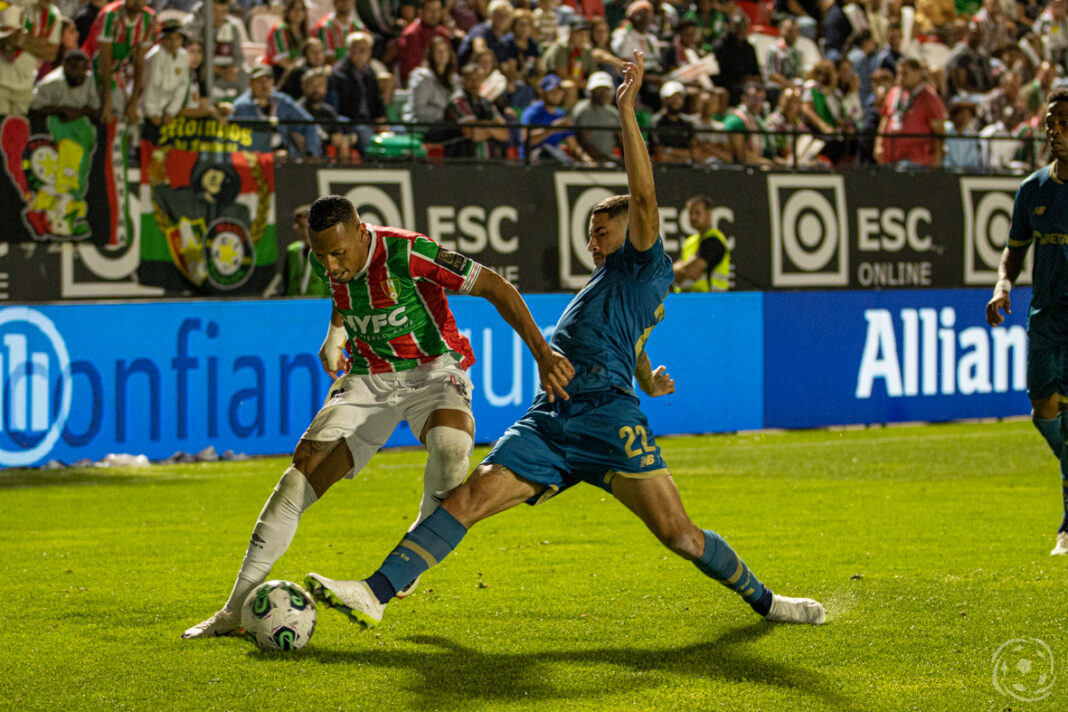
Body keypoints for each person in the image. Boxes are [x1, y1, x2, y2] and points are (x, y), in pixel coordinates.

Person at [300, 50, 826, 632]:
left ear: (634, 234)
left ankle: (769, 603)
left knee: (680, 535)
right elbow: (629, 334)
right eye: (591, 234)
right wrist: (648, 373)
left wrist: (627, 113)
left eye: (604, 233)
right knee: (469, 498)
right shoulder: (612, 284)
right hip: (552, 417)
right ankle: (373, 593)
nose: (593, 243)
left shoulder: (645, 263)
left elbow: (645, 199)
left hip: (607, 417)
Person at [182, 192, 574, 639]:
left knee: (451, 445)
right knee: (296, 480)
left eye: (338, 253)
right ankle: (233, 611)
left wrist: (542, 353)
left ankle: (418, 546)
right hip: (369, 376)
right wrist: (334, 333)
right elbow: (342, 286)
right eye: (321, 254)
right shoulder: (329, 258)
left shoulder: (410, 252)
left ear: (362, 232)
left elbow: (496, 286)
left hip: (433, 369)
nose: (330, 265)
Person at [985, 87, 1068, 557]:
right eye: (1051, 122)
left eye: (1064, 123)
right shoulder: (1032, 190)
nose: (1054, 130)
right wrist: (1002, 286)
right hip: (1044, 317)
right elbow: (1013, 252)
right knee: (1043, 411)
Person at [82, 0, 154, 124]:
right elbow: (104, 61)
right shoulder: (110, 14)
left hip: (117, 72)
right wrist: (107, 103)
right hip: (91, 70)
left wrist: (133, 102)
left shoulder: (149, 18)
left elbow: (139, 62)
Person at [232, 63, 322, 157]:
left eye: (268, 80)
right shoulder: (241, 106)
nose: (264, 84)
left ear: (273, 82)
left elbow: (309, 124)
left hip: (284, 157)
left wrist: (312, 154)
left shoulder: (282, 101)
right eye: (259, 80)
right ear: (250, 83)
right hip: (253, 159)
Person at [874, 57, 946, 168]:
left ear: (918, 73)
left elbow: (939, 131)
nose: (900, 78)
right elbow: (885, 121)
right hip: (890, 158)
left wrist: (936, 160)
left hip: (917, 161)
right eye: (899, 73)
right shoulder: (894, 92)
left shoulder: (928, 97)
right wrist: (878, 146)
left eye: (905, 74)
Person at [673, 194, 729, 292]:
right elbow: (675, 270)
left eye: (697, 213)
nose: (693, 217)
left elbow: (692, 272)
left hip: (710, 301)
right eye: (690, 213)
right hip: (686, 301)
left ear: (709, 213)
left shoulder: (715, 240)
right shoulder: (689, 242)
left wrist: (678, 271)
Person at [29, 48, 100, 121]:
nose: (78, 72)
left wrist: (78, 112)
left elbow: (96, 107)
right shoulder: (51, 82)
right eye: (74, 67)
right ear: (65, 66)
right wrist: (59, 110)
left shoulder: (92, 81)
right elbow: (35, 107)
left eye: (82, 68)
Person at [142, 18, 189, 129]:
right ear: (163, 39)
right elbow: (151, 85)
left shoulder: (183, 56)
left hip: (167, 110)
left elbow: (183, 86)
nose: (174, 43)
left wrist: (171, 111)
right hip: (148, 109)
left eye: (177, 38)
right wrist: (151, 112)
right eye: (169, 38)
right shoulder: (156, 55)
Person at [573, 70, 621, 164]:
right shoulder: (584, 110)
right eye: (599, 90)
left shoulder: (613, 113)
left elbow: (621, 139)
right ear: (590, 91)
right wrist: (608, 159)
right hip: (587, 162)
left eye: (606, 89)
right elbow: (584, 143)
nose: (603, 93)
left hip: (609, 161)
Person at [285, 204, 332, 297]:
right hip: (295, 305)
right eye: (302, 227)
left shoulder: (327, 251)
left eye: (309, 227)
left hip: (321, 305)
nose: (305, 232)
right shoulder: (292, 251)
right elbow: (286, 283)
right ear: (296, 227)